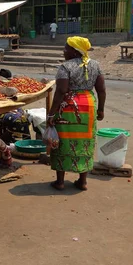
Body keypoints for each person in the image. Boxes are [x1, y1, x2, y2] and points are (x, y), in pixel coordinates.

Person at [47, 36, 106, 191]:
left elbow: (61, 91)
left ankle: (60, 182)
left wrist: (51, 114)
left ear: (74, 51)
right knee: (85, 142)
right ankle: (82, 181)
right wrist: (101, 109)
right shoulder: (95, 65)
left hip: (68, 107)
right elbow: (101, 89)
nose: (64, 51)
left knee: (63, 141)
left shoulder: (65, 67)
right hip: (88, 106)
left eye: (66, 48)